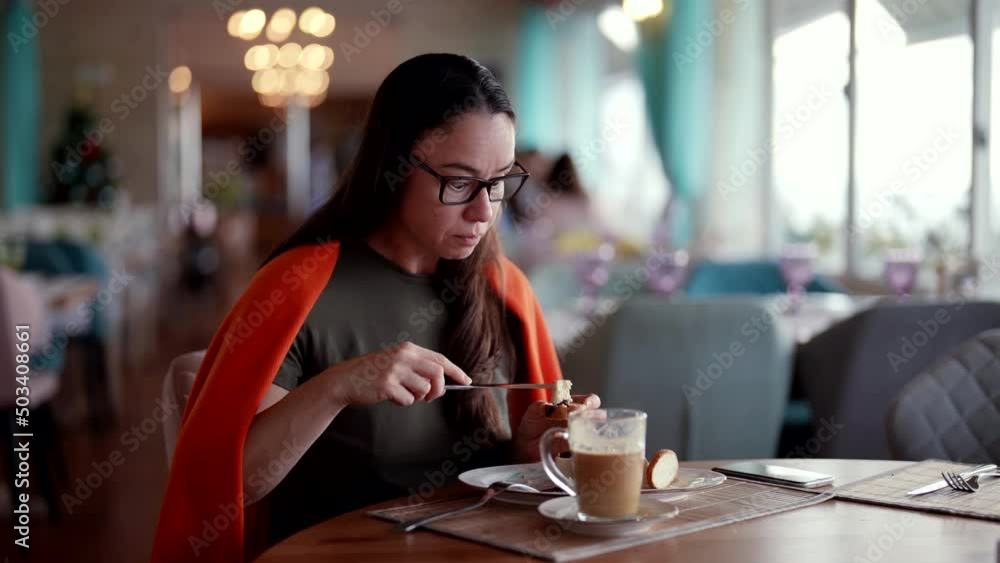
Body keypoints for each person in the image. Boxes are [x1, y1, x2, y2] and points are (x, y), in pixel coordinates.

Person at [151, 53, 601, 563]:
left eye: (498, 182)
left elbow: (514, 484)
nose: (484, 211)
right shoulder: (299, 286)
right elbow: (234, 485)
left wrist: (533, 450)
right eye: (458, 182)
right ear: (395, 166)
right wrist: (339, 386)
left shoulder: (505, 288)